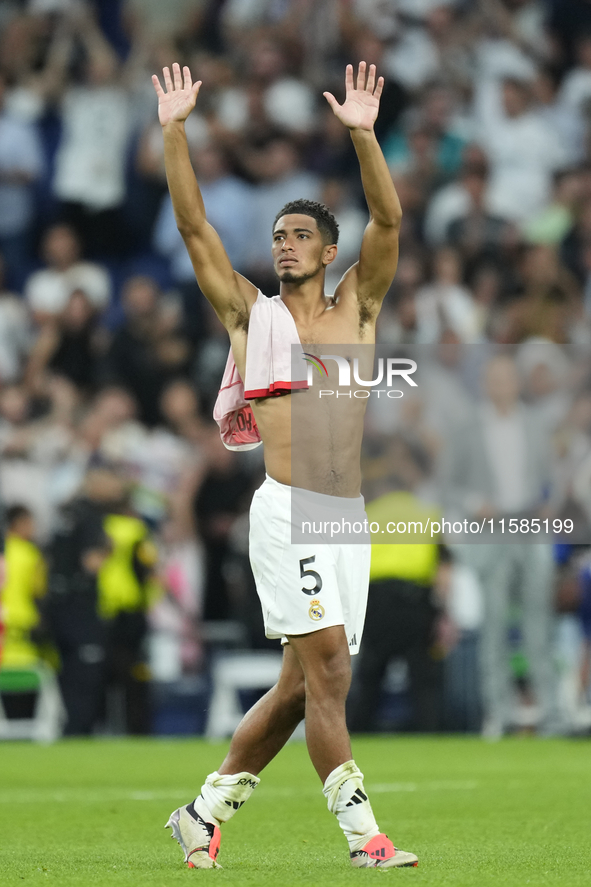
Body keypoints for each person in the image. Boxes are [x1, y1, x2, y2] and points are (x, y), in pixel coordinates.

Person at [152, 61, 417, 869]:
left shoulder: (358, 310)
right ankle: (363, 837)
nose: (284, 244)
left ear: (330, 251)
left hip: (346, 516)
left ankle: (203, 811)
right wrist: (174, 131)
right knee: (329, 670)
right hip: (288, 508)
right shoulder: (250, 316)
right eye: (277, 236)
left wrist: (365, 136)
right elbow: (196, 229)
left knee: (301, 688)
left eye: (300, 235)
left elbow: (390, 217)